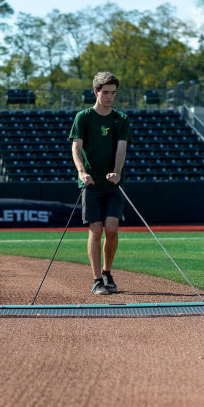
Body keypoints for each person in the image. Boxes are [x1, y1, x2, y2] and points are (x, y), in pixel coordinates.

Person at [69, 71, 132, 295]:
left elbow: (121, 148)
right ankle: (97, 279)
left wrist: (116, 172)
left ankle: (107, 272)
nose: (109, 97)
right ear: (96, 92)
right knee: (95, 230)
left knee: (112, 229)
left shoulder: (121, 119)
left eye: (113, 93)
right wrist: (81, 172)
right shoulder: (83, 117)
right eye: (105, 92)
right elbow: (76, 147)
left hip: (113, 184)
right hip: (91, 183)